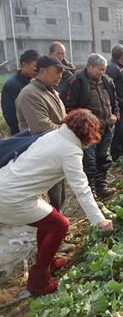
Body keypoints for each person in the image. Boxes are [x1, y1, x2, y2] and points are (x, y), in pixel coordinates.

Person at [0, 109, 113, 296]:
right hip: (12, 198)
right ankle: (39, 281)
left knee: (49, 216)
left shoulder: (54, 135)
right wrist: (99, 220)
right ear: (87, 133)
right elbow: (82, 189)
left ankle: (47, 261)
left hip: (6, 186)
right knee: (60, 225)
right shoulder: (70, 151)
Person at [59, 54, 118, 198]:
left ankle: (101, 187)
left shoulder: (107, 81)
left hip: (107, 127)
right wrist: (83, 123)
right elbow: (68, 107)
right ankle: (90, 192)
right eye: (100, 69)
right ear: (89, 66)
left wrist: (116, 115)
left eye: (103, 70)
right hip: (88, 130)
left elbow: (114, 102)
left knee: (103, 158)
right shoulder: (76, 82)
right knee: (89, 162)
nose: (102, 72)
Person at [16, 55, 67, 211]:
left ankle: (59, 222)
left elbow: (61, 120)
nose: (60, 76)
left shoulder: (50, 90)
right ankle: (52, 226)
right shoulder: (30, 94)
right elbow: (42, 128)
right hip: (42, 152)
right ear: (42, 71)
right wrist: (70, 133)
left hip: (55, 148)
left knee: (58, 190)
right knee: (49, 196)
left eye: (62, 72)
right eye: (56, 71)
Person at [1, 49, 40, 135]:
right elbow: (11, 116)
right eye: (35, 66)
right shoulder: (12, 85)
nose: (37, 70)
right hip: (23, 135)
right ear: (24, 65)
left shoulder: (37, 83)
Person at [106, 45, 123, 160]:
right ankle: (117, 154)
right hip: (118, 105)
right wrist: (118, 102)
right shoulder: (112, 68)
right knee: (119, 130)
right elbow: (110, 88)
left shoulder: (121, 67)